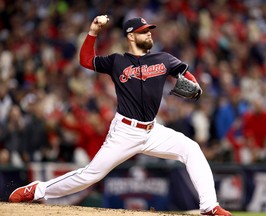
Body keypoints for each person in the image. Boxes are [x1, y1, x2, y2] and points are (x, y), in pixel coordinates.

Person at [9, 15, 232, 216]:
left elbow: (182, 71)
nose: (149, 33)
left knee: (191, 148)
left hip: (153, 130)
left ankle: (209, 206)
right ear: (131, 36)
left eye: (149, 30)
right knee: (90, 176)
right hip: (124, 131)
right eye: (144, 31)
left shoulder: (163, 59)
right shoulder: (117, 61)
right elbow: (86, 60)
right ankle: (37, 189)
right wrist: (93, 32)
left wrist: (193, 82)